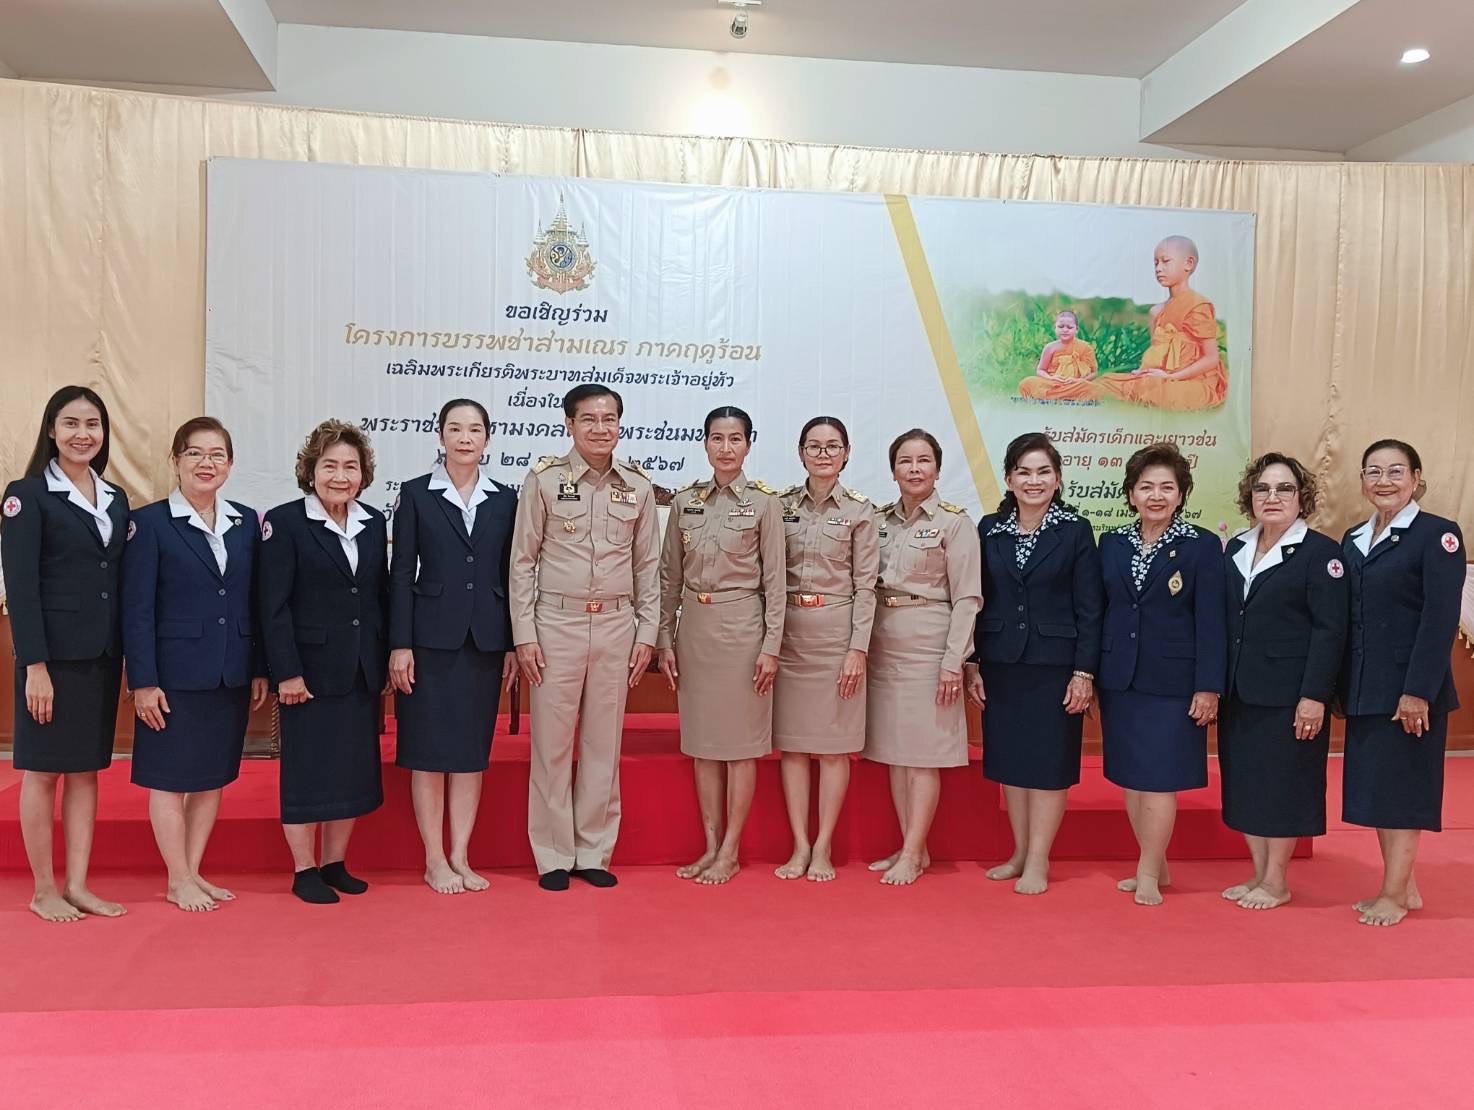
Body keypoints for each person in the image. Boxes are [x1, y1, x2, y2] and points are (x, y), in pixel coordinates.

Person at [510, 384, 660, 892]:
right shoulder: (545, 481)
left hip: (617, 626)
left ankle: (593, 850)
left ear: (620, 424)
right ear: (570, 425)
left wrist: (647, 633)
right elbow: (522, 562)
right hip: (556, 625)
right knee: (551, 746)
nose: (601, 428)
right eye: (589, 419)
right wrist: (524, 634)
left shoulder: (638, 486)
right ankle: (553, 854)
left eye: (609, 419)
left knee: (603, 744)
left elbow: (648, 566)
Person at [121, 417, 269, 912]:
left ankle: (193, 871)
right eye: (195, 453)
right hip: (173, 675)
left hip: (230, 671)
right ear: (176, 460)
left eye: (217, 455)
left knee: (212, 776)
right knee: (169, 777)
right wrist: (143, 681)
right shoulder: (150, 524)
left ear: (230, 463)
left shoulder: (246, 523)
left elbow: (254, 601)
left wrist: (259, 666)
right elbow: (137, 610)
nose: (207, 463)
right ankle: (177, 877)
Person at [1, 386, 129, 922]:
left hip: (100, 656)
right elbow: (21, 586)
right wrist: (35, 666)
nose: (83, 434)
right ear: (52, 430)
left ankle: (77, 883)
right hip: (50, 661)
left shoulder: (115, 498)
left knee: (85, 772)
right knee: (43, 772)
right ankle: (43, 889)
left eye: (92, 424)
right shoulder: (26, 495)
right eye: (71, 423)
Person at [389, 399, 519, 895]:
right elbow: (401, 573)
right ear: (439, 435)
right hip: (428, 642)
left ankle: (461, 854)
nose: (465, 438)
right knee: (427, 753)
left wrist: (512, 643)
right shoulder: (415, 494)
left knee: (470, 753)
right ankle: (434, 858)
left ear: (488, 438)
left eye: (475, 429)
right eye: (456, 428)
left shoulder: (505, 499)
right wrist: (400, 644)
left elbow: (512, 575)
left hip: (484, 642)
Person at [965, 432, 1102, 895]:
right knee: (1012, 764)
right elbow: (977, 600)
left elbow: (1090, 608)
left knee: (1048, 765)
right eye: (1023, 471)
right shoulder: (990, 528)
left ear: (1058, 478)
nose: (1033, 480)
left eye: (1043, 471)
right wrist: (972, 661)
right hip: (1001, 664)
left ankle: (1040, 859)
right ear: (1008, 478)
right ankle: (1019, 853)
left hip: (1055, 667)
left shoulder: (1075, 530)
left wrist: (1083, 673)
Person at [258, 420, 389, 904]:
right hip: (307, 673)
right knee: (308, 770)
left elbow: (377, 597)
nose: (340, 476)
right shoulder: (285, 522)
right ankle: (304, 868)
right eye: (330, 465)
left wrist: (383, 659)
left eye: (351, 466)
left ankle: (335, 862)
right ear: (310, 471)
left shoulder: (373, 522)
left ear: (363, 474)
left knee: (350, 770)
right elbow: (273, 606)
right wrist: (286, 672)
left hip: (359, 669)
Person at [657, 407, 786, 885]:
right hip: (695, 629)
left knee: (740, 747)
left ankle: (731, 849)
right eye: (717, 438)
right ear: (705, 443)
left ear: (749, 444)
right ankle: (710, 846)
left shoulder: (765, 504)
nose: (726, 448)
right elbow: (669, 577)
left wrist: (771, 646)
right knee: (704, 746)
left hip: (743, 631)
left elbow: (776, 583)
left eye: (735, 439)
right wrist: (664, 639)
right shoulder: (685, 502)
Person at [1340, 439, 1464, 927]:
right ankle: (1404, 886)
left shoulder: (1437, 535)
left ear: (1416, 478)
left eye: (1395, 471)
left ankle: (1392, 894)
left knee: (1405, 792)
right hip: (1365, 687)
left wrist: (1418, 692)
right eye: (1373, 471)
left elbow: (1439, 619)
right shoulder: (1354, 537)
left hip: (1410, 692)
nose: (1384, 481)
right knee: (1378, 792)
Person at [1097, 442, 1225, 905]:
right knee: (1132, 777)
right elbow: (1103, 610)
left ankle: (1148, 872)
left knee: (1159, 778)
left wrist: (1208, 686)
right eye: (1146, 486)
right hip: (1120, 679)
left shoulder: (1201, 545)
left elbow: (1212, 621)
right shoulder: (1111, 542)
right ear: (1131, 493)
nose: (1156, 496)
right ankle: (1156, 861)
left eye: (1167, 487)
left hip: (1173, 683)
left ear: (1181, 494)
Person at [1219, 453, 1347, 910]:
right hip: (1239, 691)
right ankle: (1258, 874)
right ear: (1250, 496)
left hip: (1290, 696)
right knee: (1247, 786)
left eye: (1284, 488)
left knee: (1282, 787)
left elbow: (1331, 631)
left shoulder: (1321, 554)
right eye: (1263, 488)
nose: (1272, 497)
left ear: (1302, 496)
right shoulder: (1235, 548)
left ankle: (1276, 881)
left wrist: (1314, 696)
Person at [864, 429, 982, 885]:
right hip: (884, 645)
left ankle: (913, 853)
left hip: (930, 648)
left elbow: (967, 598)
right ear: (893, 469)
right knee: (896, 753)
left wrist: (954, 661)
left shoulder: (955, 523)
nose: (914, 469)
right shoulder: (878, 520)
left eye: (924, 461)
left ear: (937, 468)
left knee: (922, 756)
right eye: (905, 461)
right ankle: (912, 846)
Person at [771, 416, 879, 882]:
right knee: (794, 748)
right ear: (800, 453)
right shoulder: (779, 507)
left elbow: (867, 587)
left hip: (837, 637)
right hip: (789, 636)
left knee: (834, 750)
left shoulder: (860, 511)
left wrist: (858, 649)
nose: (823, 454)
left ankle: (823, 846)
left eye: (833, 446)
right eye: (813, 446)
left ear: (847, 453)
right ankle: (799, 845)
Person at [1094, 237, 1228, 411]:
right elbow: (1156, 354)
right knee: (1106, 381)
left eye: (1165, 261)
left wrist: (1171, 377)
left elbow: (1211, 358)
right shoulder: (1156, 311)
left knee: (1161, 392)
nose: (1158, 268)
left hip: (1192, 381)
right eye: (1156, 263)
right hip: (1159, 377)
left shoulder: (1198, 305)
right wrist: (1143, 371)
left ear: (1188, 263)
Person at [1018, 310, 1098, 402]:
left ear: (1076, 329)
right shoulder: (1050, 347)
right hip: (1053, 384)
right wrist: (1052, 378)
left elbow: (1094, 373)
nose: (1065, 330)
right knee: (1026, 383)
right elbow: (1040, 370)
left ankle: (1053, 396)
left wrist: (1078, 380)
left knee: (1094, 389)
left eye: (1069, 327)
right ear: (1055, 328)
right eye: (1061, 326)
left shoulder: (1085, 347)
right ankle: (1067, 396)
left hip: (1075, 384)